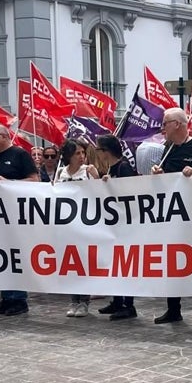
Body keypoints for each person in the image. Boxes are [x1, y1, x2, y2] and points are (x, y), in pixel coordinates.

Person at [151, 108, 192, 327]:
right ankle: (173, 308)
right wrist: (159, 174)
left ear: (177, 124)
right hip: (173, 213)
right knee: (171, 260)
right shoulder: (167, 149)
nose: (162, 128)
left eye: (165, 123)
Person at [0, 123, 39, 317]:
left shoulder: (20, 155)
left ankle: (18, 299)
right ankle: (6, 297)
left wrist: (10, 183)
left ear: (4, 136)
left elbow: (35, 180)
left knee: (15, 256)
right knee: (0, 256)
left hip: (16, 215)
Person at [53, 139, 100, 317]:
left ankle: (84, 301)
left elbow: (100, 194)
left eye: (83, 153)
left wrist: (96, 176)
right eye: (77, 153)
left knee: (84, 263)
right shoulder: (60, 172)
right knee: (70, 264)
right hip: (67, 224)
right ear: (68, 156)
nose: (81, 157)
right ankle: (74, 300)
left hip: (85, 224)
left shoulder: (88, 171)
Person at [95, 135, 139, 320]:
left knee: (124, 265)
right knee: (115, 265)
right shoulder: (113, 168)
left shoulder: (123, 167)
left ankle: (128, 304)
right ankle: (117, 300)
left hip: (125, 226)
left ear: (106, 151)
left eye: (99, 150)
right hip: (115, 226)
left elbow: (129, 193)